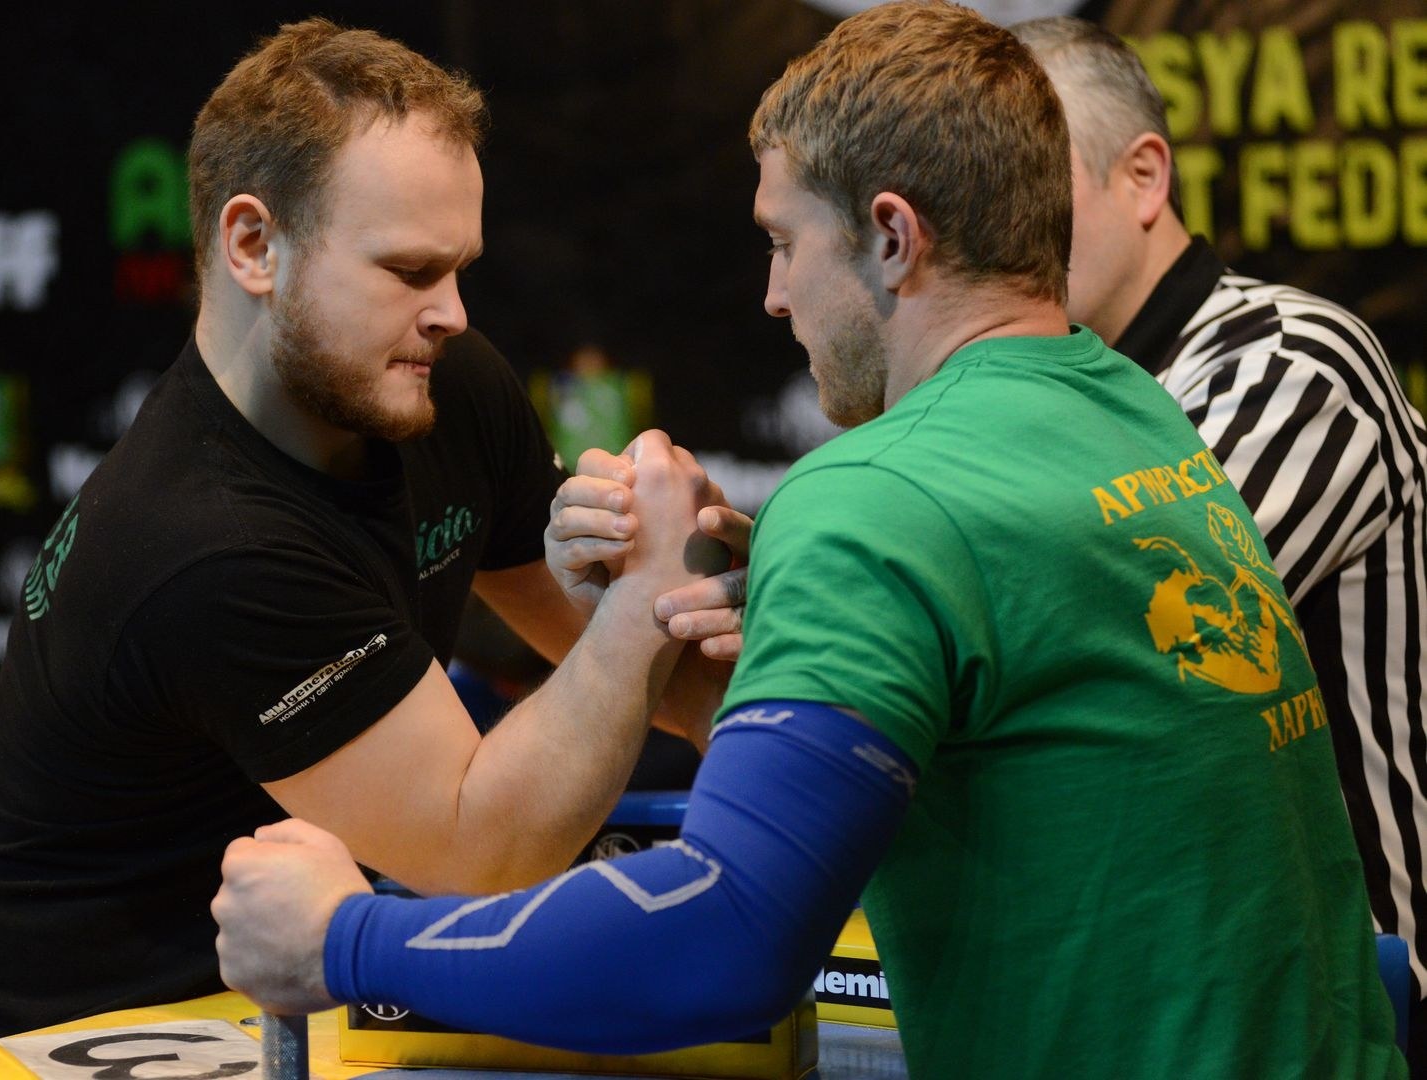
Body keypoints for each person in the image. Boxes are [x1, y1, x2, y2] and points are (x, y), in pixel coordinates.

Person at [210, 4, 1406, 1076]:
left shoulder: (877, 497)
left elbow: (723, 937)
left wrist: (346, 938)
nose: (774, 296)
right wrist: (756, 582)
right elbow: (984, 699)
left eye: (785, 243)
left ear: (893, 237)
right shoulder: (1132, 410)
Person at [0, 19, 736, 1055]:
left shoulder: (441, 383)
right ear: (254, 246)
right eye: (408, 269)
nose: (452, 312)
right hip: (70, 1037)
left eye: (460, 267)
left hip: (273, 1001)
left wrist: (690, 603)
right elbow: (479, 847)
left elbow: (600, 646)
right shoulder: (203, 542)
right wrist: (641, 598)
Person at [1011, 16, 1427, 1072]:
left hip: (1356, 1003)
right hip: (1159, 985)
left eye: (1024, 181)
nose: (990, 224)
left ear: (1142, 177)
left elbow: (1110, 652)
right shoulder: (1034, 397)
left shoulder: (1293, 359)